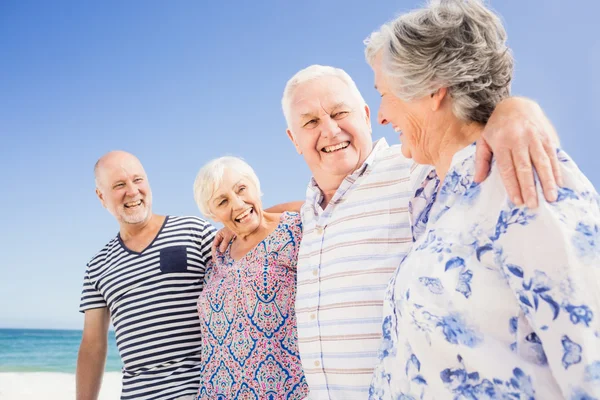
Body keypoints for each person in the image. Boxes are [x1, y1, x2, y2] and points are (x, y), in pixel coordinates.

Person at [364, 1, 600, 398]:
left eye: (384, 94)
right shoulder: (435, 199)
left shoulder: (524, 177)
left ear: (431, 90)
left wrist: (515, 110)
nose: (381, 116)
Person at [280, 67, 563, 398]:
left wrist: (514, 110)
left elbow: (469, 142)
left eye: (340, 112)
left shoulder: (414, 168)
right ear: (293, 139)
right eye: (310, 122)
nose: (329, 130)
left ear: (367, 116)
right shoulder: (309, 213)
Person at [77, 151, 217, 400]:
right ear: (101, 196)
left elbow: (244, 252)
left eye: (138, 180)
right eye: (119, 185)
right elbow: (92, 347)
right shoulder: (97, 266)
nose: (132, 191)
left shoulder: (194, 230)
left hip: (206, 391)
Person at [193, 156, 308, 399]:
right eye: (222, 201)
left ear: (255, 187)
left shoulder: (295, 228)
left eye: (241, 189)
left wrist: (265, 213)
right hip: (217, 391)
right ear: (211, 213)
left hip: (284, 391)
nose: (237, 204)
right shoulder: (219, 254)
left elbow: (325, 204)